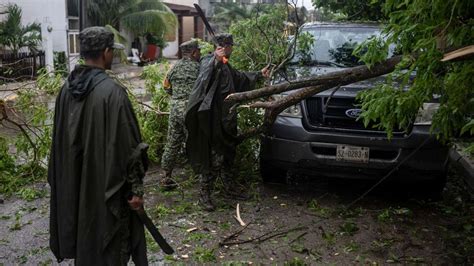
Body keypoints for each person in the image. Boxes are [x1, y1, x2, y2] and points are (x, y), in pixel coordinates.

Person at [48, 27, 148, 265]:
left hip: (77, 183)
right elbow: (130, 149)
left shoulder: (66, 90)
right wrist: (136, 190)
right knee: (111, 243)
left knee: (86, 234)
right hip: (106, 187)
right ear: (105, 52)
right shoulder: (113, 94)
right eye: (111, 51)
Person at [185, 33, 270, 211]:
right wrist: (215, 59)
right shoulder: (209, 61)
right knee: (214, 158)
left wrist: (258, 74)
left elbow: (239, 78)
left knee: (228, 154)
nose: (232, 49)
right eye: (230, 46)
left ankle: (229, 188)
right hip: (212, 120)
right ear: (224, 47)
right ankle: (204, 195)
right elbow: (204, 78)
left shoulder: (225, 65)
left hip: (226, 119)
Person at [160, 40, 201, 189]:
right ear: (194, 52)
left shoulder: (174, 67)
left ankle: (165, 177)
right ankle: (201, 178)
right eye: (199, 51)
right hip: (190, 110)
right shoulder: (199, 68)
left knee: (172, 142)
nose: (200, 54)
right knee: (197, 143)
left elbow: (166, 85)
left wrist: (175, 95)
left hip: (175, 109)